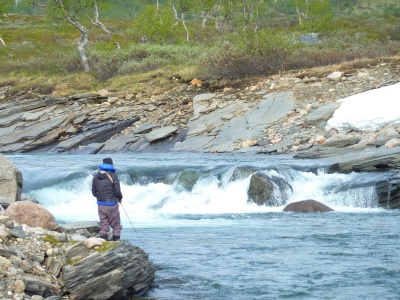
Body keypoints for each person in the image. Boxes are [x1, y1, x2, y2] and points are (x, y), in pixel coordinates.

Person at [92, 157, 123, 241]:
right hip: (112, 204)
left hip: (101, 204)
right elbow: (117, 191)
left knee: (103, 224)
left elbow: (94, 193)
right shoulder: (113, 176)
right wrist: (120, 198)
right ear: (111, 165)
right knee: (116, 224)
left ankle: (103, 241)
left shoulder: (96, 177)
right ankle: (116, 241)